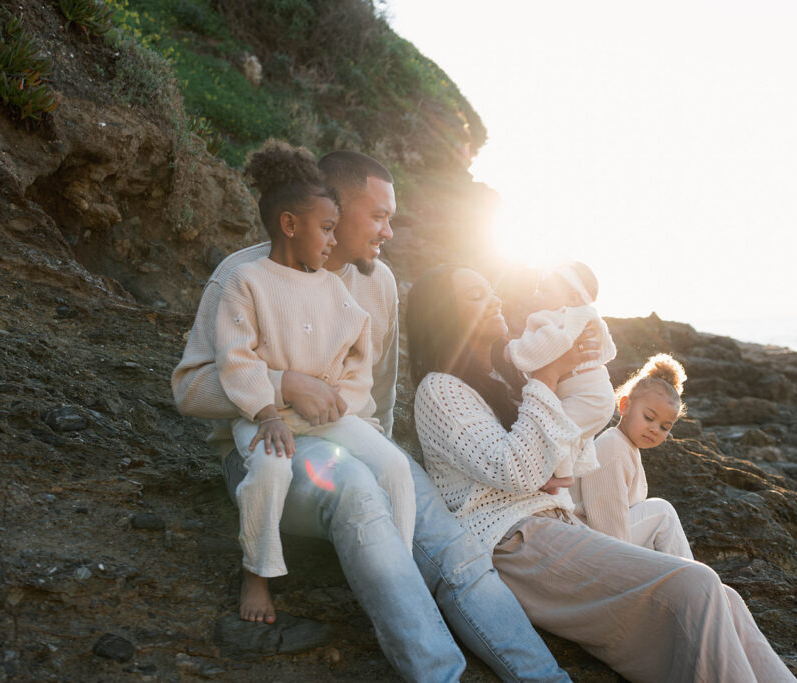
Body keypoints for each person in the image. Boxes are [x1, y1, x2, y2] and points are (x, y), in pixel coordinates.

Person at [171, 151, 569, 681]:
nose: (388, 231)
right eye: (377, 216)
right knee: (356, 488)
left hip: (351, 439)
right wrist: (284, 383)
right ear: (334, 207)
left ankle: (546, 678)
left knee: (451, 544)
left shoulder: (378, 283)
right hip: (269, 453)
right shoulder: (243, 274)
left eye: (392, 217)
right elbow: (190, 388)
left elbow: (378, 401)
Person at [408, 264, 796, 683]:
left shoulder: (499, 379)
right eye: (475, 296)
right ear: (444, 316)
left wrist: (569, 372)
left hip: (557, 529)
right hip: (515, 544)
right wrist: (547, 376)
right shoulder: (440, 389)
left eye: (490, 291)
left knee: (725, 598)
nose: (495, 299)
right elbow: (516, 468)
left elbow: (554, 452)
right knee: (697, 585)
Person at [187, 141, 415, 624]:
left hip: (331, 424)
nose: (334, 243)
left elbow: (369, 375)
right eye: (328, 228)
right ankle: (258, 573)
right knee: (275, 471)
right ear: (295, 223)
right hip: (264, 422)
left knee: (395, 468)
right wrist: (277, 397)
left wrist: (350, 414)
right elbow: (227, 367)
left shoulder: (352, 285)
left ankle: (400, 571)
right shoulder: (242, 280)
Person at [573, 353, 694, 559]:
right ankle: (688, 577)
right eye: (649, 417)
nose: (655, 429)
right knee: (662, 512)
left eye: (665, 427)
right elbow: (608, 528)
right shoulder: (612, 447)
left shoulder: (627, 448)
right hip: (588, 546)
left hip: (610, 541)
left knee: (726, 592)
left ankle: (690, 576)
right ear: (624, 406)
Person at [506, 260, 617, 480]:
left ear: (573, 297)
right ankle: (563, 473)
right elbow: (608, 351)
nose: (538, 295)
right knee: (564, 432)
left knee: (553, 430)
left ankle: (560, 476)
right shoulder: (585, 316)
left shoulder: (569, 316)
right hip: (592, 393)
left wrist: (512, 350)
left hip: (586, 395)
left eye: (545, 291)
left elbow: (548, 344)